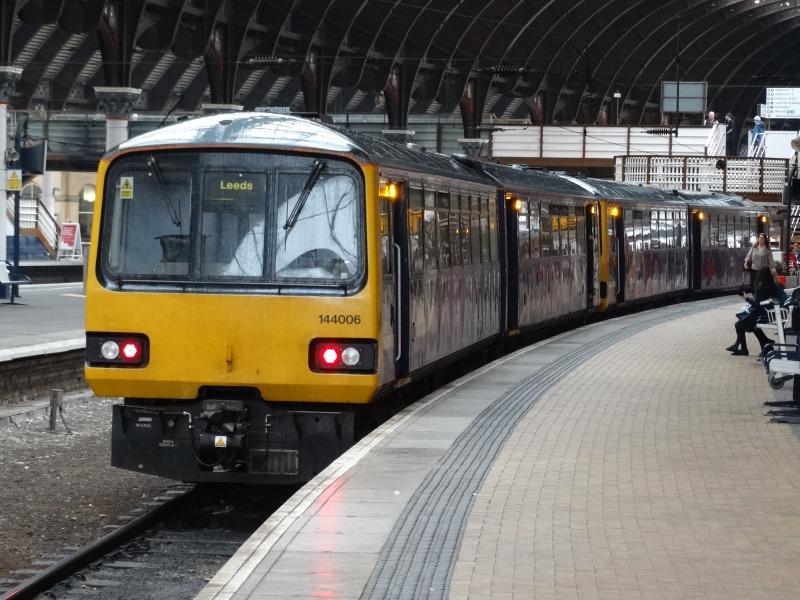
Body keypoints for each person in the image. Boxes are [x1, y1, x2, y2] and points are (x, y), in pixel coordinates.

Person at [727, 267, 784, 356]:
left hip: (764, 314)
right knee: (748, 324)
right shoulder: (773, 285)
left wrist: (746, 298)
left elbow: (757, 305)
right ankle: (764, 342)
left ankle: (745, 349)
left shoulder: (762, 287)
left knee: (739, 325)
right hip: (770, 312)